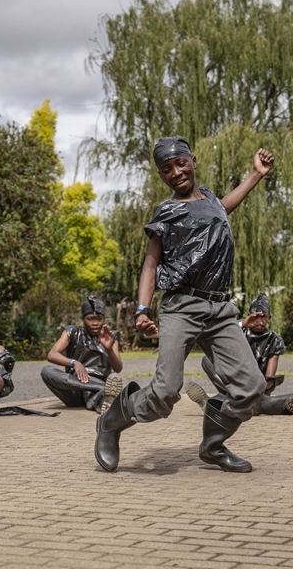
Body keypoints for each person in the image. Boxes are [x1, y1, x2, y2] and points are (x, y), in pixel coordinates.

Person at [94, 137, 272, 474]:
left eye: (180, 164)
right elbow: (150, 264)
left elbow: (223, 207)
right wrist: (142, 310)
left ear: (193, 160)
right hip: (182, 306)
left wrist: (255, 175)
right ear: (161, 175)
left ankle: (212, 445)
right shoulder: (167, 211)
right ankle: (111, 421)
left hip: (220, 310)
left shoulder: (212, 201)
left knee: (252, 387)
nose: (175, 172)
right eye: (166, 169)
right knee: (165, 392)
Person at [187, 292, 293, 415]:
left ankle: (216, 404)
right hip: (234, 384)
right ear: (248, 317)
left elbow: (269, 379)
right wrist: (242, 324)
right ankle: (255, 404)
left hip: (258, 388)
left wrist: (261, 386)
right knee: (207, 360)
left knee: (258, 397)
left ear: (269, 318)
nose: (259, 321)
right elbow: (215, 336)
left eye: (263, 317)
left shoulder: (275, 340)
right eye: (255, 317)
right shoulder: (238, 332)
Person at [41, 296, 123, 413]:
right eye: (90, 319)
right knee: (46, 371)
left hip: (99, 388)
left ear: (104, 319)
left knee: (99, 395)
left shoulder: (111, 335)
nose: (95, 323)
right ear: (82, 319)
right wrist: (74, 363)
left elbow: (118, 368)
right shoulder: (72, 331)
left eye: (99, 319)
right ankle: (106, 392)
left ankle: (103, 403)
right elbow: (52, 354)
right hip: (74, 389)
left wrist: (109, 349)